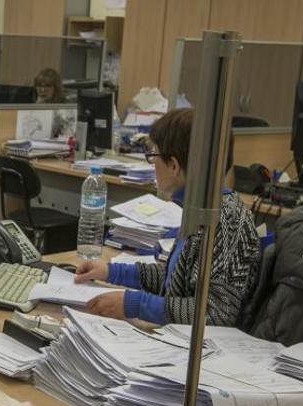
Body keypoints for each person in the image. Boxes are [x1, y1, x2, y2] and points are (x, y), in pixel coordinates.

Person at [76, 108, 261, 326]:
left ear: (173, 165)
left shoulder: (226, 221)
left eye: (154, 156)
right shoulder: (200, 209)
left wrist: (135, 304)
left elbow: (216, 313)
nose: (152, 164)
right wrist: (112, 272)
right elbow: (174, 280)